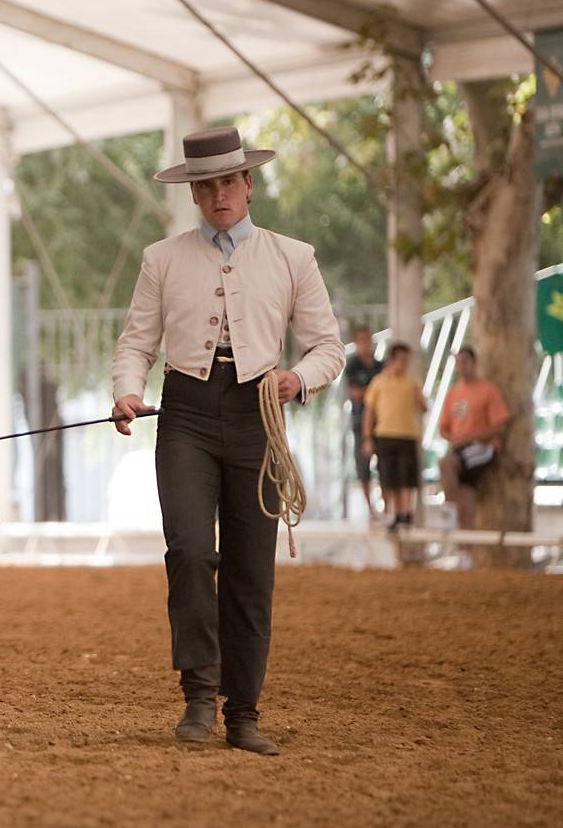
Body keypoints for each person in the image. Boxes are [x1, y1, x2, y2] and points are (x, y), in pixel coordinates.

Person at [112, 126, 344, 757]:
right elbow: (137, 341)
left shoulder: (293, 256)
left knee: (250, 570)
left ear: (248, 184)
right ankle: (198, 694)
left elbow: (329, 347)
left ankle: (242, 712)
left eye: (228, 182)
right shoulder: (162, 259)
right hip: (184, 411)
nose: (219, 194)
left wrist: (299, 378)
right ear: (194, 193)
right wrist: (127, 390)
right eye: (206, 184)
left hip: (258, 416)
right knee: (189, 550)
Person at [438, 346, 512, 529]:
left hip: (482, 447)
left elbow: (501, 425)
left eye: (465, 362)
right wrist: (455, 439)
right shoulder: (454, 392)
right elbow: (443, 427)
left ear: (474, 363)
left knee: (446, 463)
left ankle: (449, 510)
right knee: (465, 495)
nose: (461, 366)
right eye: (458, 362)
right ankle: (466, 550)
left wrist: (473, 437)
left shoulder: (488, 390)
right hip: (460, 449)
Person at [361, 342, 427, 531]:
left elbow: (424, 407)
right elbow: (369, 412)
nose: (404, 364)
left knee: (406, 476)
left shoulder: (412, 382)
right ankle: (394, 513)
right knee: (390, 478)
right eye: (401, 360)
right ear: (392, 360)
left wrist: (418, 397)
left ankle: (406, 512)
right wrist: (367, 437)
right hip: (385, 434)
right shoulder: (379, 382)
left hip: (407, 435)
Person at [342, 324, 384, 519]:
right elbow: (356, 393)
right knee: (363, 466)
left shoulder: (380, 366)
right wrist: (375, 394)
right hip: (360, 422)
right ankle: (370, 509)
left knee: (384, 464)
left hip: (382, 423)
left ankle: (386, 506)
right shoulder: (352, 365)